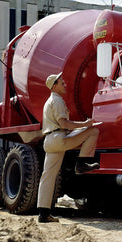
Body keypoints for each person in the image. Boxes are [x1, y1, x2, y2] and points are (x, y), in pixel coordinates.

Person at [37, 72, 101, 223]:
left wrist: (79, 127)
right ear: (54, 86)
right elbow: (64, 124)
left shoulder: (49, 101)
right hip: (59, 139)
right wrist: (85, 124)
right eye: (62, 82)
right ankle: (82, 163)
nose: (65, 84)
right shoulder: (57, 101)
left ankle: (43, 214)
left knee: (47, 177)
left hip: (50, 141)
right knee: (93, 131)